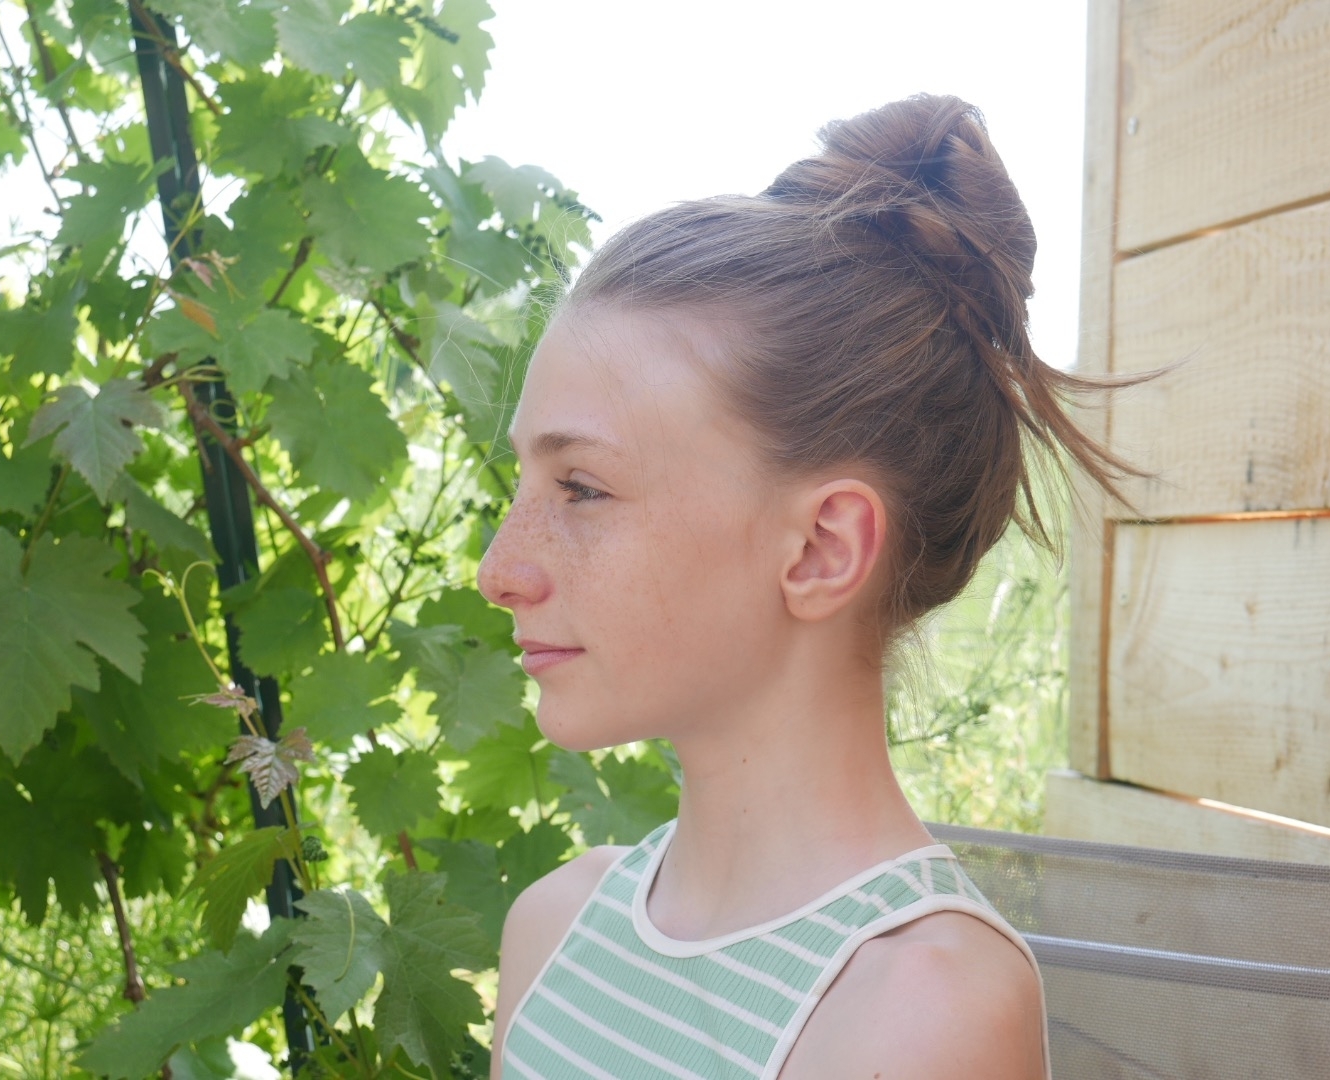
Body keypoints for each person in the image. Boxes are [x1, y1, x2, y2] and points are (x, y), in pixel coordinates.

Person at [478, 93, 1134, 1080]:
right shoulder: (554, 930)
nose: (499, 571)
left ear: (823, 548)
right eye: (523, 485)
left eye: (581, 489)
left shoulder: (922, 1017)